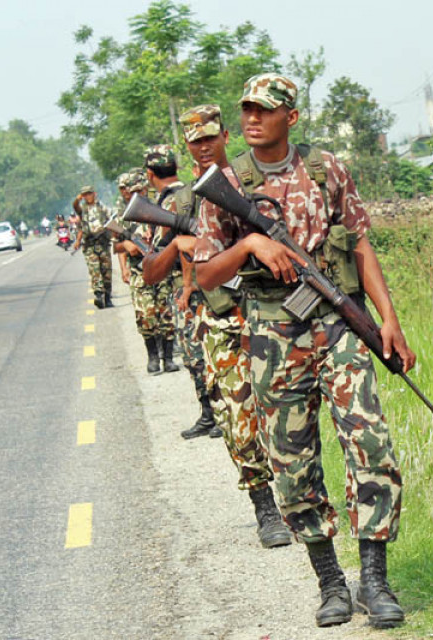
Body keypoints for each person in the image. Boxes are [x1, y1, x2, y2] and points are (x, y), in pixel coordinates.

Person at [193, 73, 412, 629]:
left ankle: (375, 581)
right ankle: (331, 582)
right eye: (246, 109)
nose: (251, 118)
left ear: (290, 116)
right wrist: (251, 242)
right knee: (292, 462)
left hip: (338, 325)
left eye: (264, 110)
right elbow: (204, 274)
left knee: (371, 444)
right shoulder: (226, 183)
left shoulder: (325, 169)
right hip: (272, 335)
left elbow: (359, 243)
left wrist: (388, 319)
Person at [166, 103, 291, 547]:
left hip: (271, 309)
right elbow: (156, 265)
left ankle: (300, 498)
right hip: (221, 317)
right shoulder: (184, 200)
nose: (203, 147)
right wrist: (180, 246)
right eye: (194, 142)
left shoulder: (252, 178)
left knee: (286, 407)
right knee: (238, 414)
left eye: (209, 138)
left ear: (224, 137)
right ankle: (265, 509)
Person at [141, 144, 219, 439]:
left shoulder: (174, 201)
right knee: (195, 354)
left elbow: (185, 246)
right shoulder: (181, 195)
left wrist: (186, 286)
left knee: (198, 354)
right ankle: (210, 414)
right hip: (194, 284)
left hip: (192, 287)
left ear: (150, 174)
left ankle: (215, 413)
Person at [112, 168, 179, 375]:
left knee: (166, 314)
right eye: (132, 191)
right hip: (139, 272)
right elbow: (116, 246)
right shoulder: (124, 216)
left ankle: (168, 358)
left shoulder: (158, 208)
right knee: (145, 315)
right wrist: (126, 248)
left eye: (140, 190)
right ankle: (153, 357)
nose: (136, 194)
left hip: (162, 267)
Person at [73, 186, 114, 308]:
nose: (88, 196)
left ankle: (107, 298)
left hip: (103, 243)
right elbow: (75, 207)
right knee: (95, 271)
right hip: (90, 245)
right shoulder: (82, 209)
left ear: (94, 194)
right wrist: (78, 241)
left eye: (89, 193)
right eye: (85, 195)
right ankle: (98, 295)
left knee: (106, 272)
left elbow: (111, 221)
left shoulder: (102, 207)